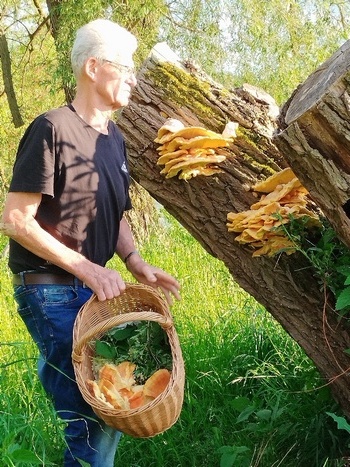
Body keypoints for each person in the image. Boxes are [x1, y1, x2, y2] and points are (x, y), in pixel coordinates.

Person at [1, 19, 180, 466]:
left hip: (93, 293)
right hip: (51, 289)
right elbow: (16, 221)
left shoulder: (114, 139)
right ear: (95, 67)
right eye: (126, 68)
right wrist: (87, 267)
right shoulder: (51, 129)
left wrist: (136, 261)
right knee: (95, 416)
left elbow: (113, 214)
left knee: (108, 402)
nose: (134, 79)